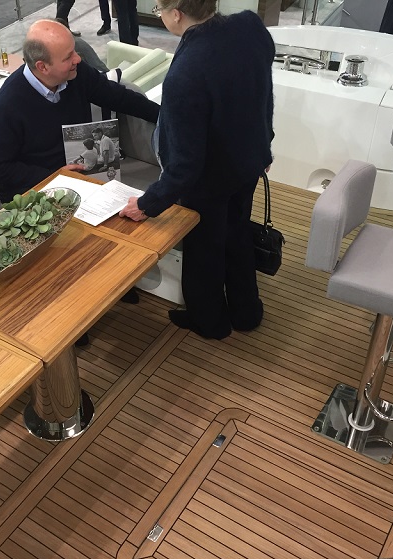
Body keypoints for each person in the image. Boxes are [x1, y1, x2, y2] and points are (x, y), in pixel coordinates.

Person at [119, 0, 276, 340]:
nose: (160, 16)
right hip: (248, 162)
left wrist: (147, 204)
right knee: (237, 234)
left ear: (177, 13)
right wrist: (266, 141)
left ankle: (211, 322)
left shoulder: (186, 73)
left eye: (160, 9)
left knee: (204, 250)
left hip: (209, 181)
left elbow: (185, 165)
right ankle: (246, 312)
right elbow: (263, 93)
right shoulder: (251, 27)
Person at [0, 18, 159, 203]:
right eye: (68, 57)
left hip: (79, 181)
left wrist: (166, 115)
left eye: (74, 51)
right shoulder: (7, 106)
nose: (78, 59)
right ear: (42, 67)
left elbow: (119, 97)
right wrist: (55, 176)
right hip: (36, 192)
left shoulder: (77, 73)